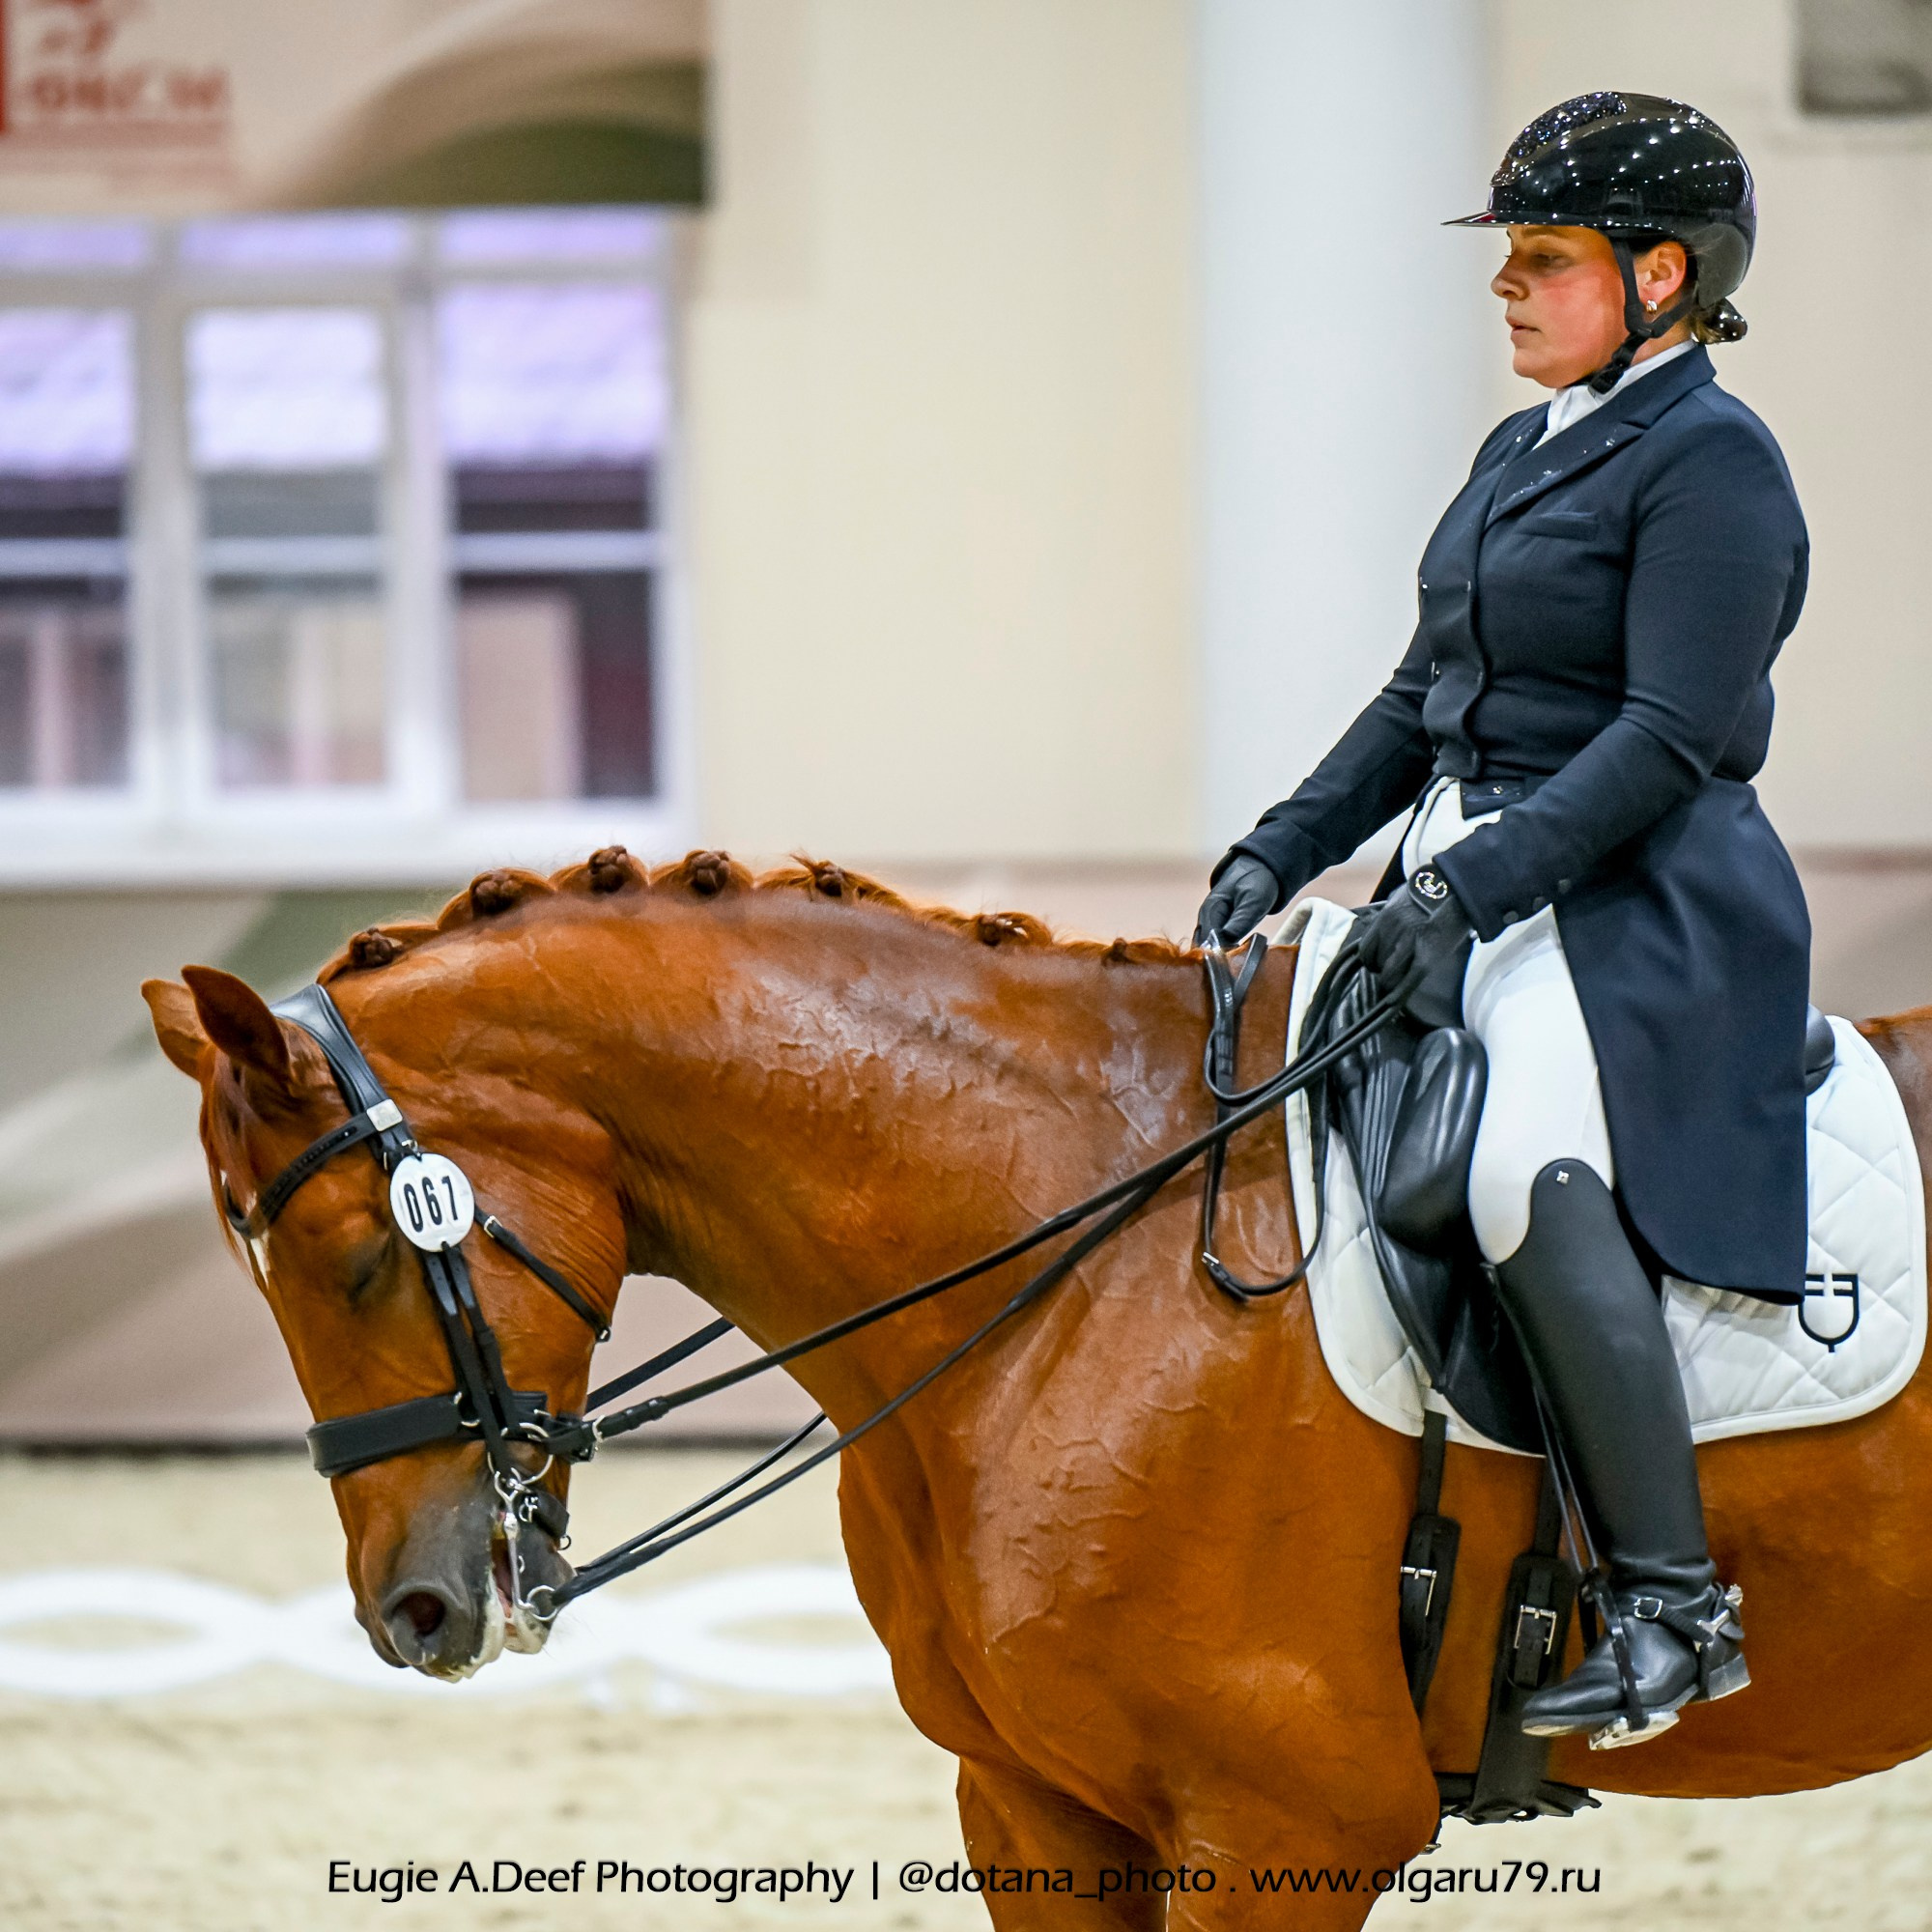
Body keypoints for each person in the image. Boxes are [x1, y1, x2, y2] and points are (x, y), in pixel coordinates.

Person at [1195, 93, 1808, 1745]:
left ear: (1662, 274)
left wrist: (1470, 887)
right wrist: (1283, 846)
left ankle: (1677, 1607)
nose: (1510, 288)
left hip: (1642, 906)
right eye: (1511, 260)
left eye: (1545, 259)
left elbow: (1669, 737)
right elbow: (1423, 698)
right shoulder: (1520, 450)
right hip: (1473, 885)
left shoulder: (1714, 462)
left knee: (1510, 1159)